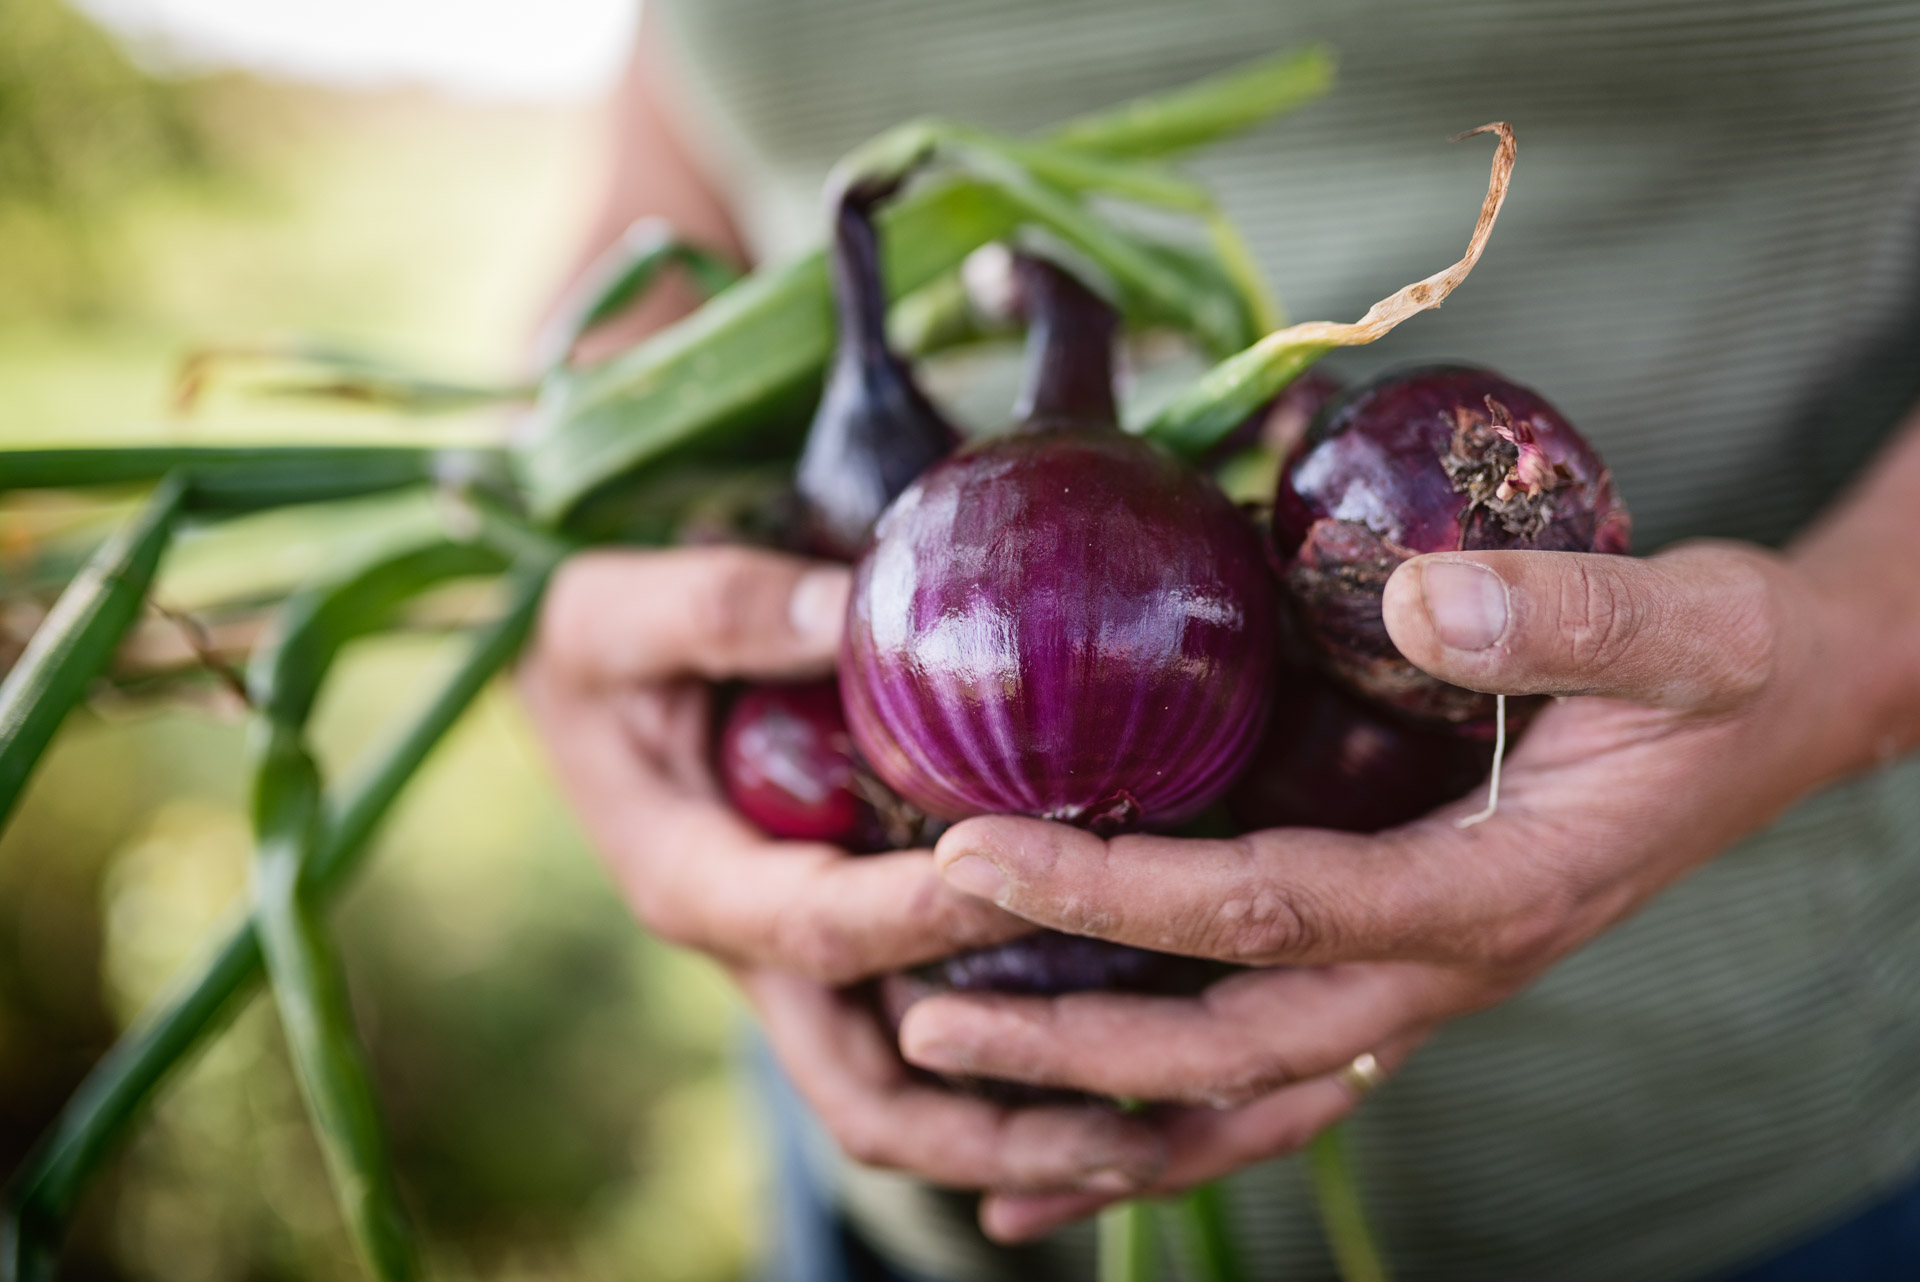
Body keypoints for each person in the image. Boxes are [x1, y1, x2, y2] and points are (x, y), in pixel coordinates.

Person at [519, 3, 1920, 1279]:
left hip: (1721, 1168)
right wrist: (578, 577)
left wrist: (1851, 650)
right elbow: (668, 200)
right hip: (891, 1189)